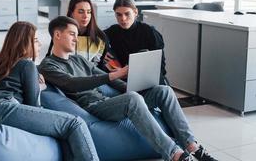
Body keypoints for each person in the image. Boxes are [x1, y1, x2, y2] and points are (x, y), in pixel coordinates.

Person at [39, 16, 218, 161]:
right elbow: (73, 83)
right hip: (93, 107)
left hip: (108, 101)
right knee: (132, 99)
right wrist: (118, 74)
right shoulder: (48, 65)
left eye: (76, 34)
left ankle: (192, 146)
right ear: (57, 35)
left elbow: (108, 81)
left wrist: (133, 87)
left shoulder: (78, 59)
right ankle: (174, 154)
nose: (75, 39)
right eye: (71, 34)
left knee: (163, 91)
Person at [0, 21, 99, 161]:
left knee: (64, 132)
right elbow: (33, 105)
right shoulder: (27, 64)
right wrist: (40, 88)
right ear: (24, 42)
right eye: (36, 41)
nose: (39, 45)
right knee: (75, 123)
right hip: (6, 108)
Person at [104, 0, 167, 85]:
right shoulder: (112, 31)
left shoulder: (149, 32)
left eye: (127, 14)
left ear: (135, 12)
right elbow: (95, 38)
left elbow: (160, 66)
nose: (123, 19)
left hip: (146, 77)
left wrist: (131, 73)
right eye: (119, 14)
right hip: (121, 78)